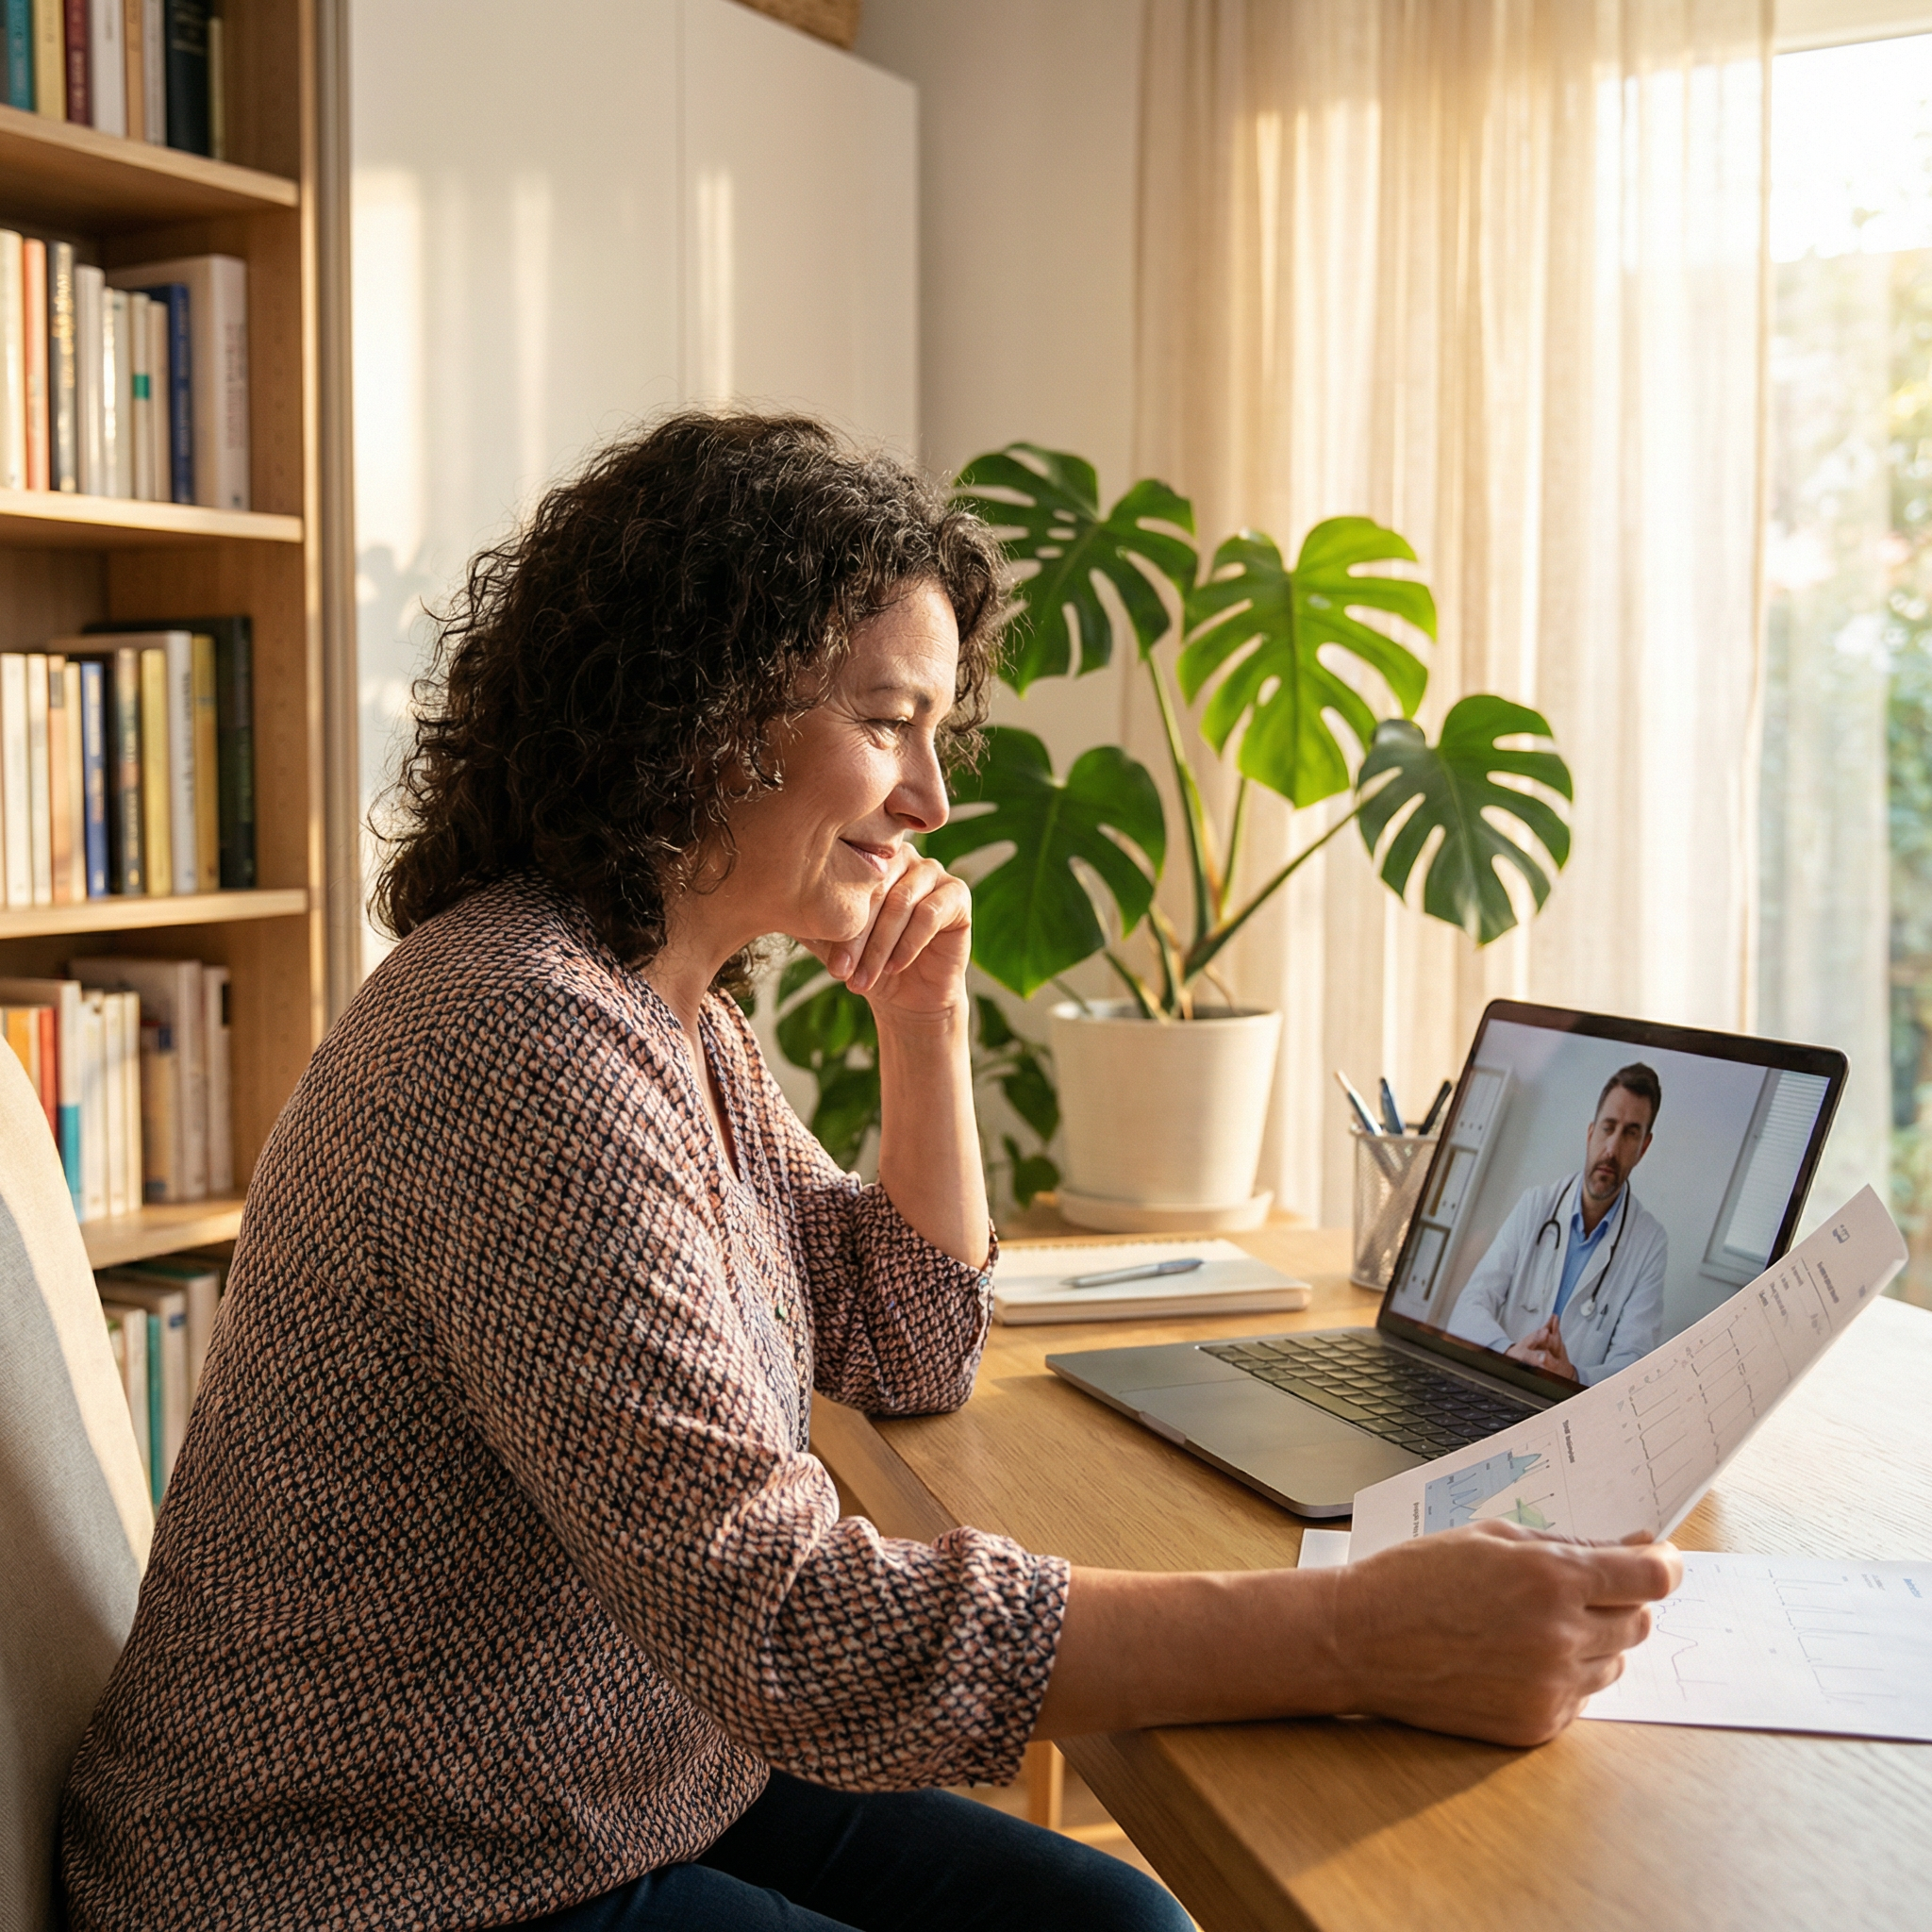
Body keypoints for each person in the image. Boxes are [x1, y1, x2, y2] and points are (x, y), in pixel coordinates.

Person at [59, 414, 1680, 1932]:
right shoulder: (515, 1029)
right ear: (696, 706)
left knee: (1115, 1915)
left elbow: (903, 1337)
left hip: (612, 1779)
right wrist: (1355, 1632)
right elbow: (782, 1622)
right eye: (887, 723)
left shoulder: (668, 1009)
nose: (931, 796)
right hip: (362, 1867)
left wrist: (922, 1023)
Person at [1445, 1065, 1669, 1385]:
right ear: (1591, 1132)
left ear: (1643, 1147)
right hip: (1502, 1386)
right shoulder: (1536, 1205)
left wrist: (1573, 1376)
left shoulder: (1650, 1243)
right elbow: (1469, 1306)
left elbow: (1634, 1366)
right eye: (1608, 1128)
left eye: (1630, 1134)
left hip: (1575, 1410)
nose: (1611, 1149)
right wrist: (1510, 1353)